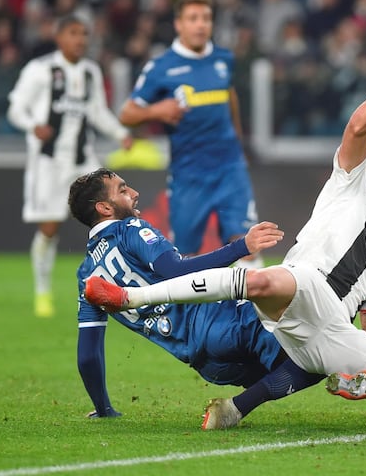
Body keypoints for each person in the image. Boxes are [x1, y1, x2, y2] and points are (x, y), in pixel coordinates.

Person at [85, 35, 366, 416]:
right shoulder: (350, 185)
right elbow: (357, 124)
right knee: (264, 281)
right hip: (303, 290)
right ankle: (130, 299)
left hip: (330, 335)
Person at [69, 168, 324, 429]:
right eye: (123, 190)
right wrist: (241, 247)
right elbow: (175, 271)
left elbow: (88, 354)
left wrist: (103, 409)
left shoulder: (87, 277)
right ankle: (235, 409)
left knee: (305, 365)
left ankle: (237, 407)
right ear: (104, 208)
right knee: (318, 352)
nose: (134, 194)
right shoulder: (129, 230)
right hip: (225, 320)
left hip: (207, 362)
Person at [118, 0, 261, 266]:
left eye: (206, 18)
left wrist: (238, 142)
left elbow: (230, 96)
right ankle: (188, 309)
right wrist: (158, 110)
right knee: (185, 256)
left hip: (230, 168)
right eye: (193, 18)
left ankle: (250, 310)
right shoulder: (161, 67)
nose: (200, 25)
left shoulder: (223, 59)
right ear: (178, 24)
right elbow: (127, 114)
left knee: (248, 245)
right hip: (189, 174)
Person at [7, 14, 133, 318]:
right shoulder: (40, 70)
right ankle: (42, 291)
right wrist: (32, 125)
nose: (80, 40)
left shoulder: (90, 71)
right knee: (50, 229)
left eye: (84, 34)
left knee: (112, 216)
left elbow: (98, 112)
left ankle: (117, 287)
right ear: (59, 36)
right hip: (49, 163)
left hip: (83, 162)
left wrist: (121, 134)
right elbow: (15, 107)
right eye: (74, 33)